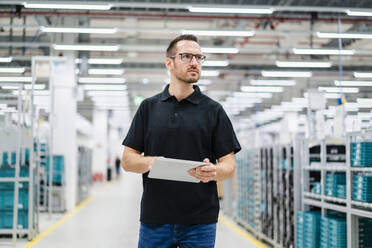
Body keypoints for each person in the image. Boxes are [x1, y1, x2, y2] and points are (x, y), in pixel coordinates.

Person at [121, 34, 241, 248]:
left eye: (199, 57)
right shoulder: (149, 108)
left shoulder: (213, 111)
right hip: (155, 219)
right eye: (186, 56)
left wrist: (214, 171)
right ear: (169, 63)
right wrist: (154, 163)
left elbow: (229, 165)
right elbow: (128, 160)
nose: (194, 62)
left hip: (199, 222)